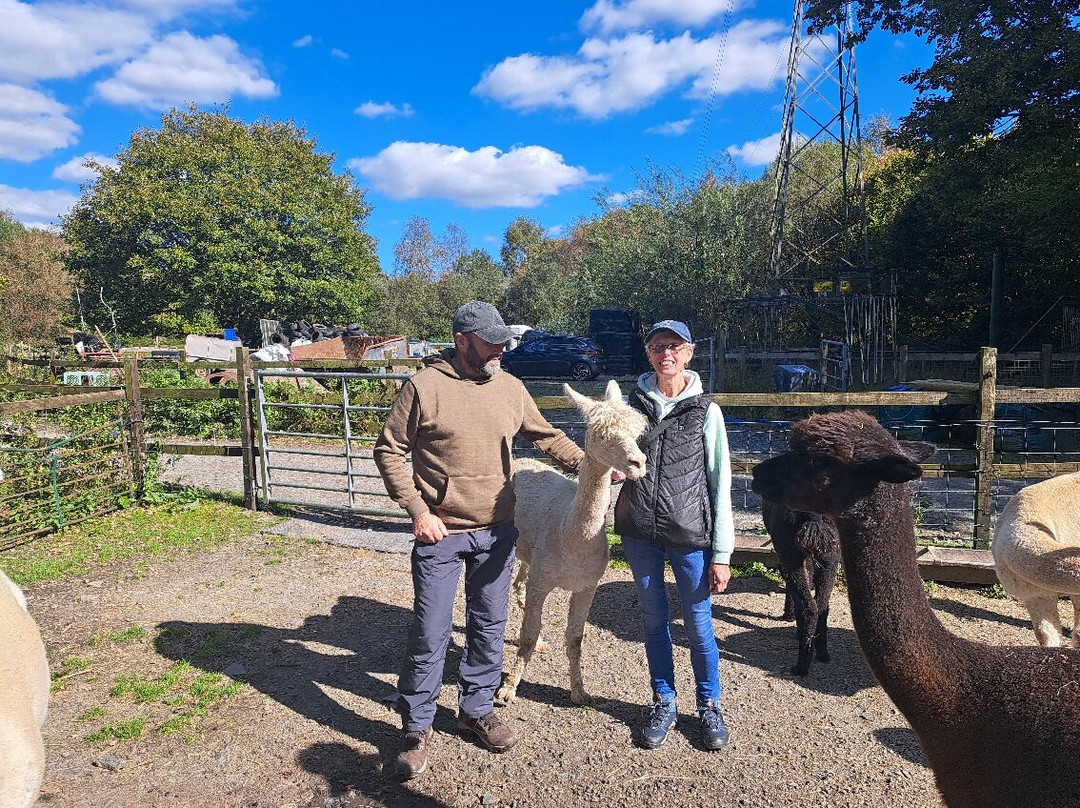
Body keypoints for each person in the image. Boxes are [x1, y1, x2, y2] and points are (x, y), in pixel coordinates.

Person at [373, 300, 585, 780]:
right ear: (462, 339)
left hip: (498, 532)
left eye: (503, 341)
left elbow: (546, 436)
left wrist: (591, 465)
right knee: (431, 632)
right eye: (491, 342)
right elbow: (389, 450)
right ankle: (416, 727)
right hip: (442, 532)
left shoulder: (510, 386)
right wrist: (418, 510)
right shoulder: (424, 387)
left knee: (489, 626)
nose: (501, 349)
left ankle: (475, 709)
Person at [613, 319, 735, 751]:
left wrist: (722, 552)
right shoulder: (630, 407)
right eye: (658, 346)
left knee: (700, 625)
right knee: (653, 621)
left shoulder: (707, 411)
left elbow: (721, 482)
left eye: (675, 346)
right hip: (639, 530)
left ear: (689, 353)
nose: (667, 353)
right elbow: (613, 457)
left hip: (690, 534)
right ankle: (663, 699)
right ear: (648, 355)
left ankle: (709, 704)